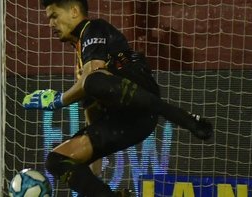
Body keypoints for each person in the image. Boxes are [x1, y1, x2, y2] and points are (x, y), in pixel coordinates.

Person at [22, 0, 213, 196]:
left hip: (141, 98)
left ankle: (181, 116)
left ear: (74, 11)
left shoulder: (94, 28)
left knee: (93, 81)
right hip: (126, 123)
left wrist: (59, 100)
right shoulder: (81, 58)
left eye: (54, 16)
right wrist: (93, 178)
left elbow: (92, 77)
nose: (50, 24)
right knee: (56, 160)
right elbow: (93, 116)